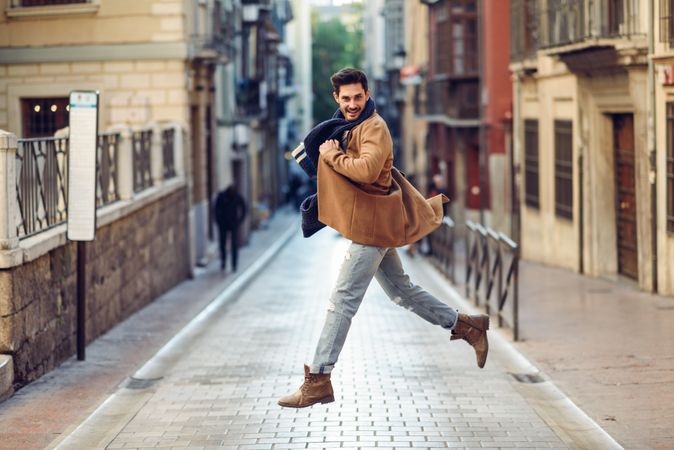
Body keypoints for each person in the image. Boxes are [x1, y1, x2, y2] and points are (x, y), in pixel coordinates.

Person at [278, 68, 489, 409]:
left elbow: (366, 170)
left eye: (357, 97)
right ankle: (467, 326)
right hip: (372, 222)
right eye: (345, 98)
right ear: (337, 98)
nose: (351, 104)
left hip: (373, 227)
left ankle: (318, 378)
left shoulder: (374, 127)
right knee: (401, 291)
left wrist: (331, 155)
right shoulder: (349, 126)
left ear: (366, 94)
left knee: (342, 301)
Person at [213, 184, 247, 272]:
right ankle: (223, 262)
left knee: (234, 245)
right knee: (223, 244)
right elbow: (216, 210)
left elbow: (244, 209)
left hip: (233, 224)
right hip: (223, 224)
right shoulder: (222, 196)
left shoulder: (237, 196)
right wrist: (219, 221)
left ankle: (234, 264)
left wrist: (239, 221)